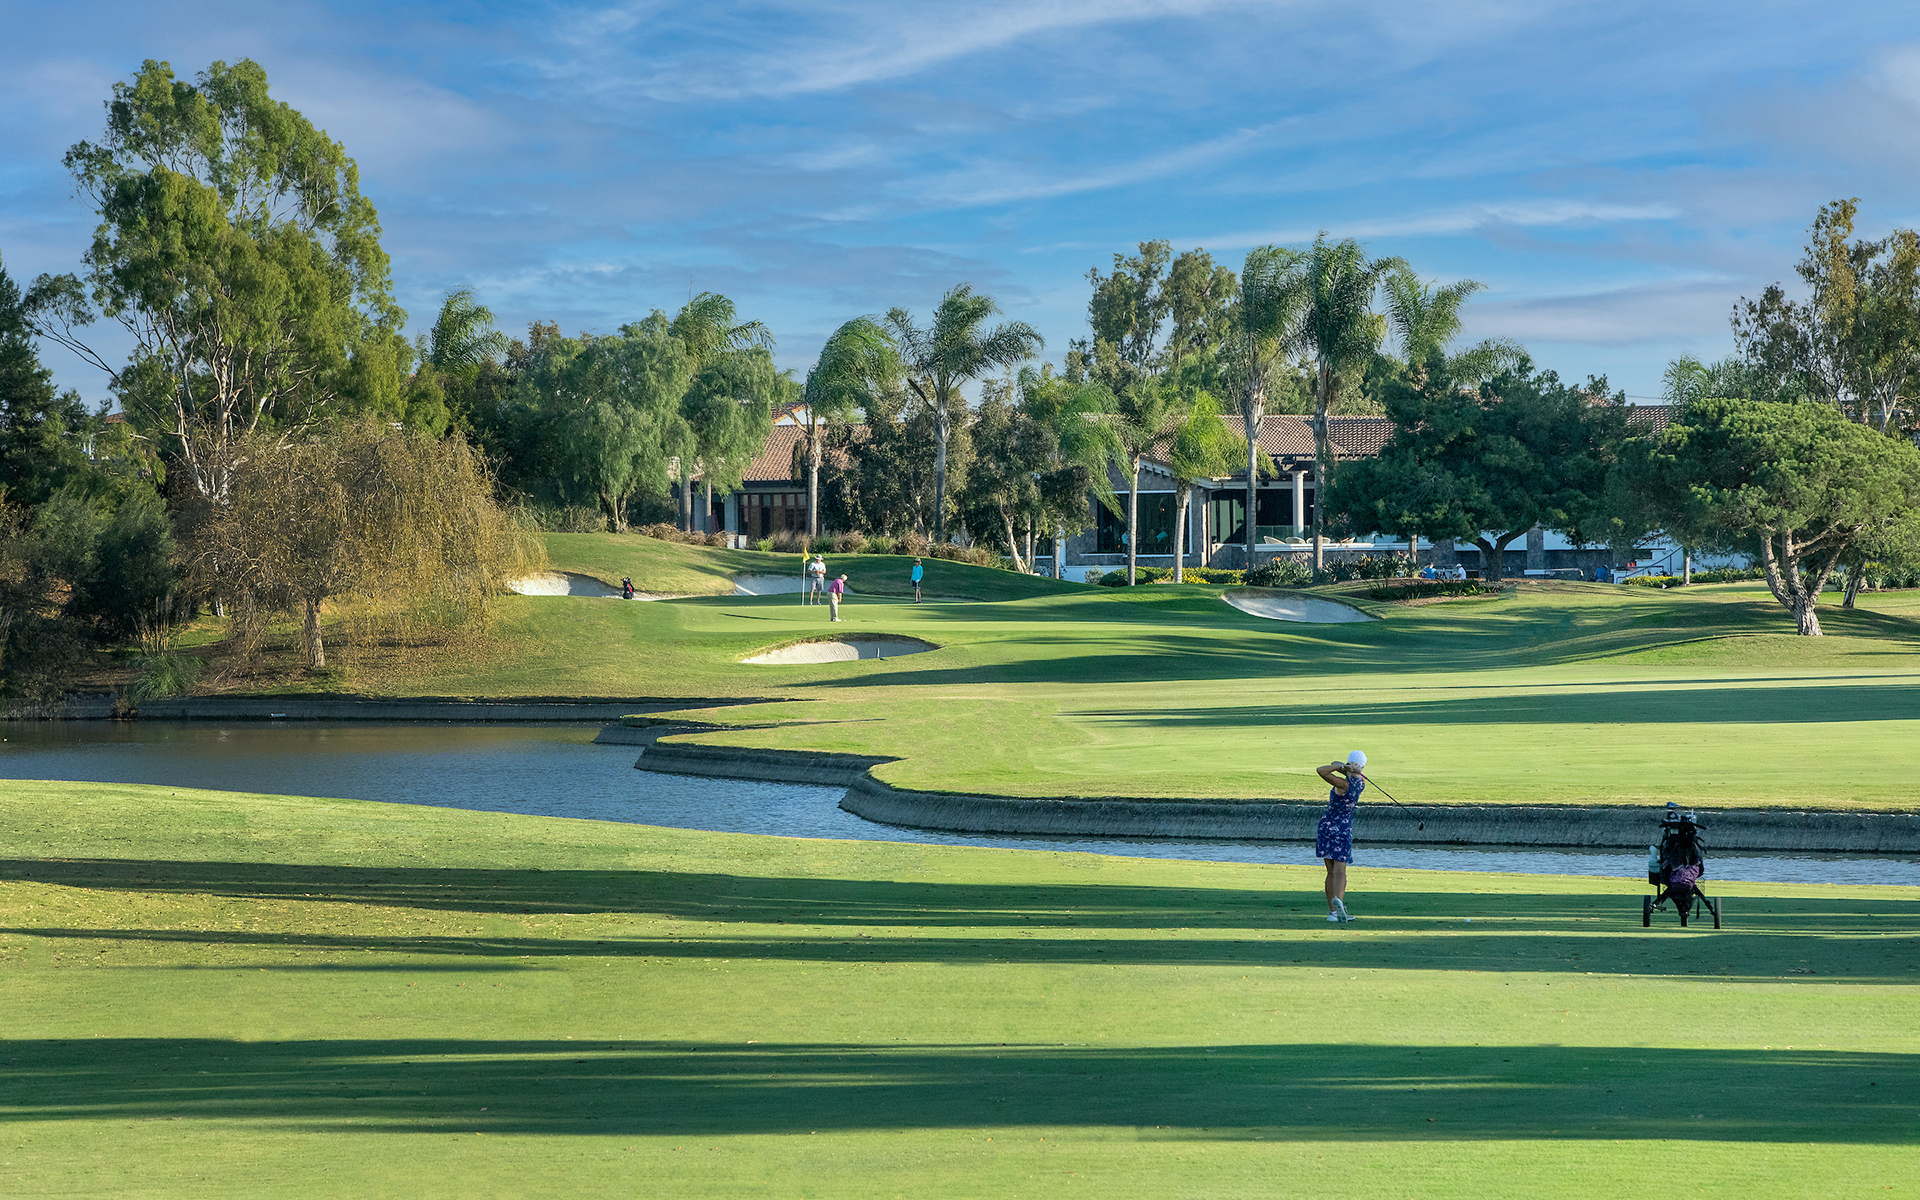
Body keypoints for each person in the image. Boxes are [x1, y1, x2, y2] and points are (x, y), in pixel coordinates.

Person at [1314, 751, 1368, 922]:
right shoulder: (1361, 782)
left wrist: (1343, 767)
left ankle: (1333, 912)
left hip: (1327, 827)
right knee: (1340, 871)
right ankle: (1339, 901)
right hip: (1343, 829)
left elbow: (1322, 770)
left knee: (1331, 871)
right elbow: (1334, 762)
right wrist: (1348, 768)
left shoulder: (1343, 784)